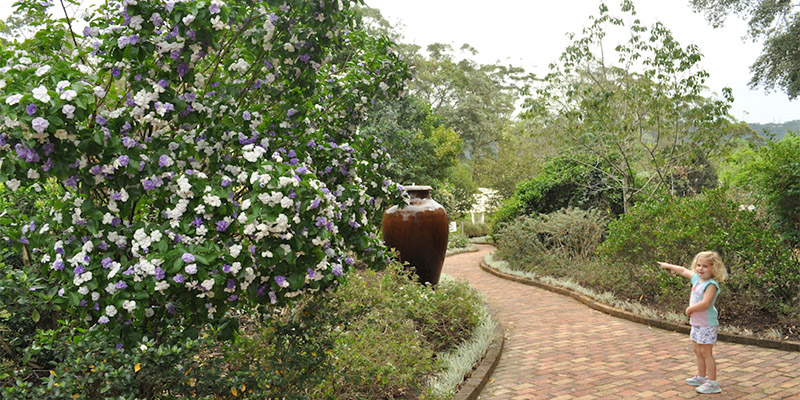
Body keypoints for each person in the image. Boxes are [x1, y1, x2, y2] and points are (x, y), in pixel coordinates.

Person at [658, 251, 728, 395]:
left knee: (706, 352)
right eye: (699, 265)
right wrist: (668, 266)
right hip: (696, 323)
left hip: (707, 324)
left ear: (714, 268)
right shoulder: (697, 279)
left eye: (705, 266)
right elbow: (683, 270)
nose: (700, 269)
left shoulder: (711, 285)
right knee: (697, 350)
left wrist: (690, 309)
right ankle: (701, 377)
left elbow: (706, 303)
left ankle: (713, 383)